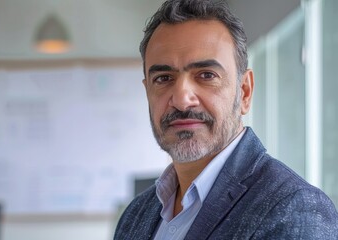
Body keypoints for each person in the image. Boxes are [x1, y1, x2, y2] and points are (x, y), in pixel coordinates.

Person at [114, 0, 338, 239]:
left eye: (206, 75)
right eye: (163, 78)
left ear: (244, 92)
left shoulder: (294, 208)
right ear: (147, 90)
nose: (181, 100)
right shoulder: (135, 214)